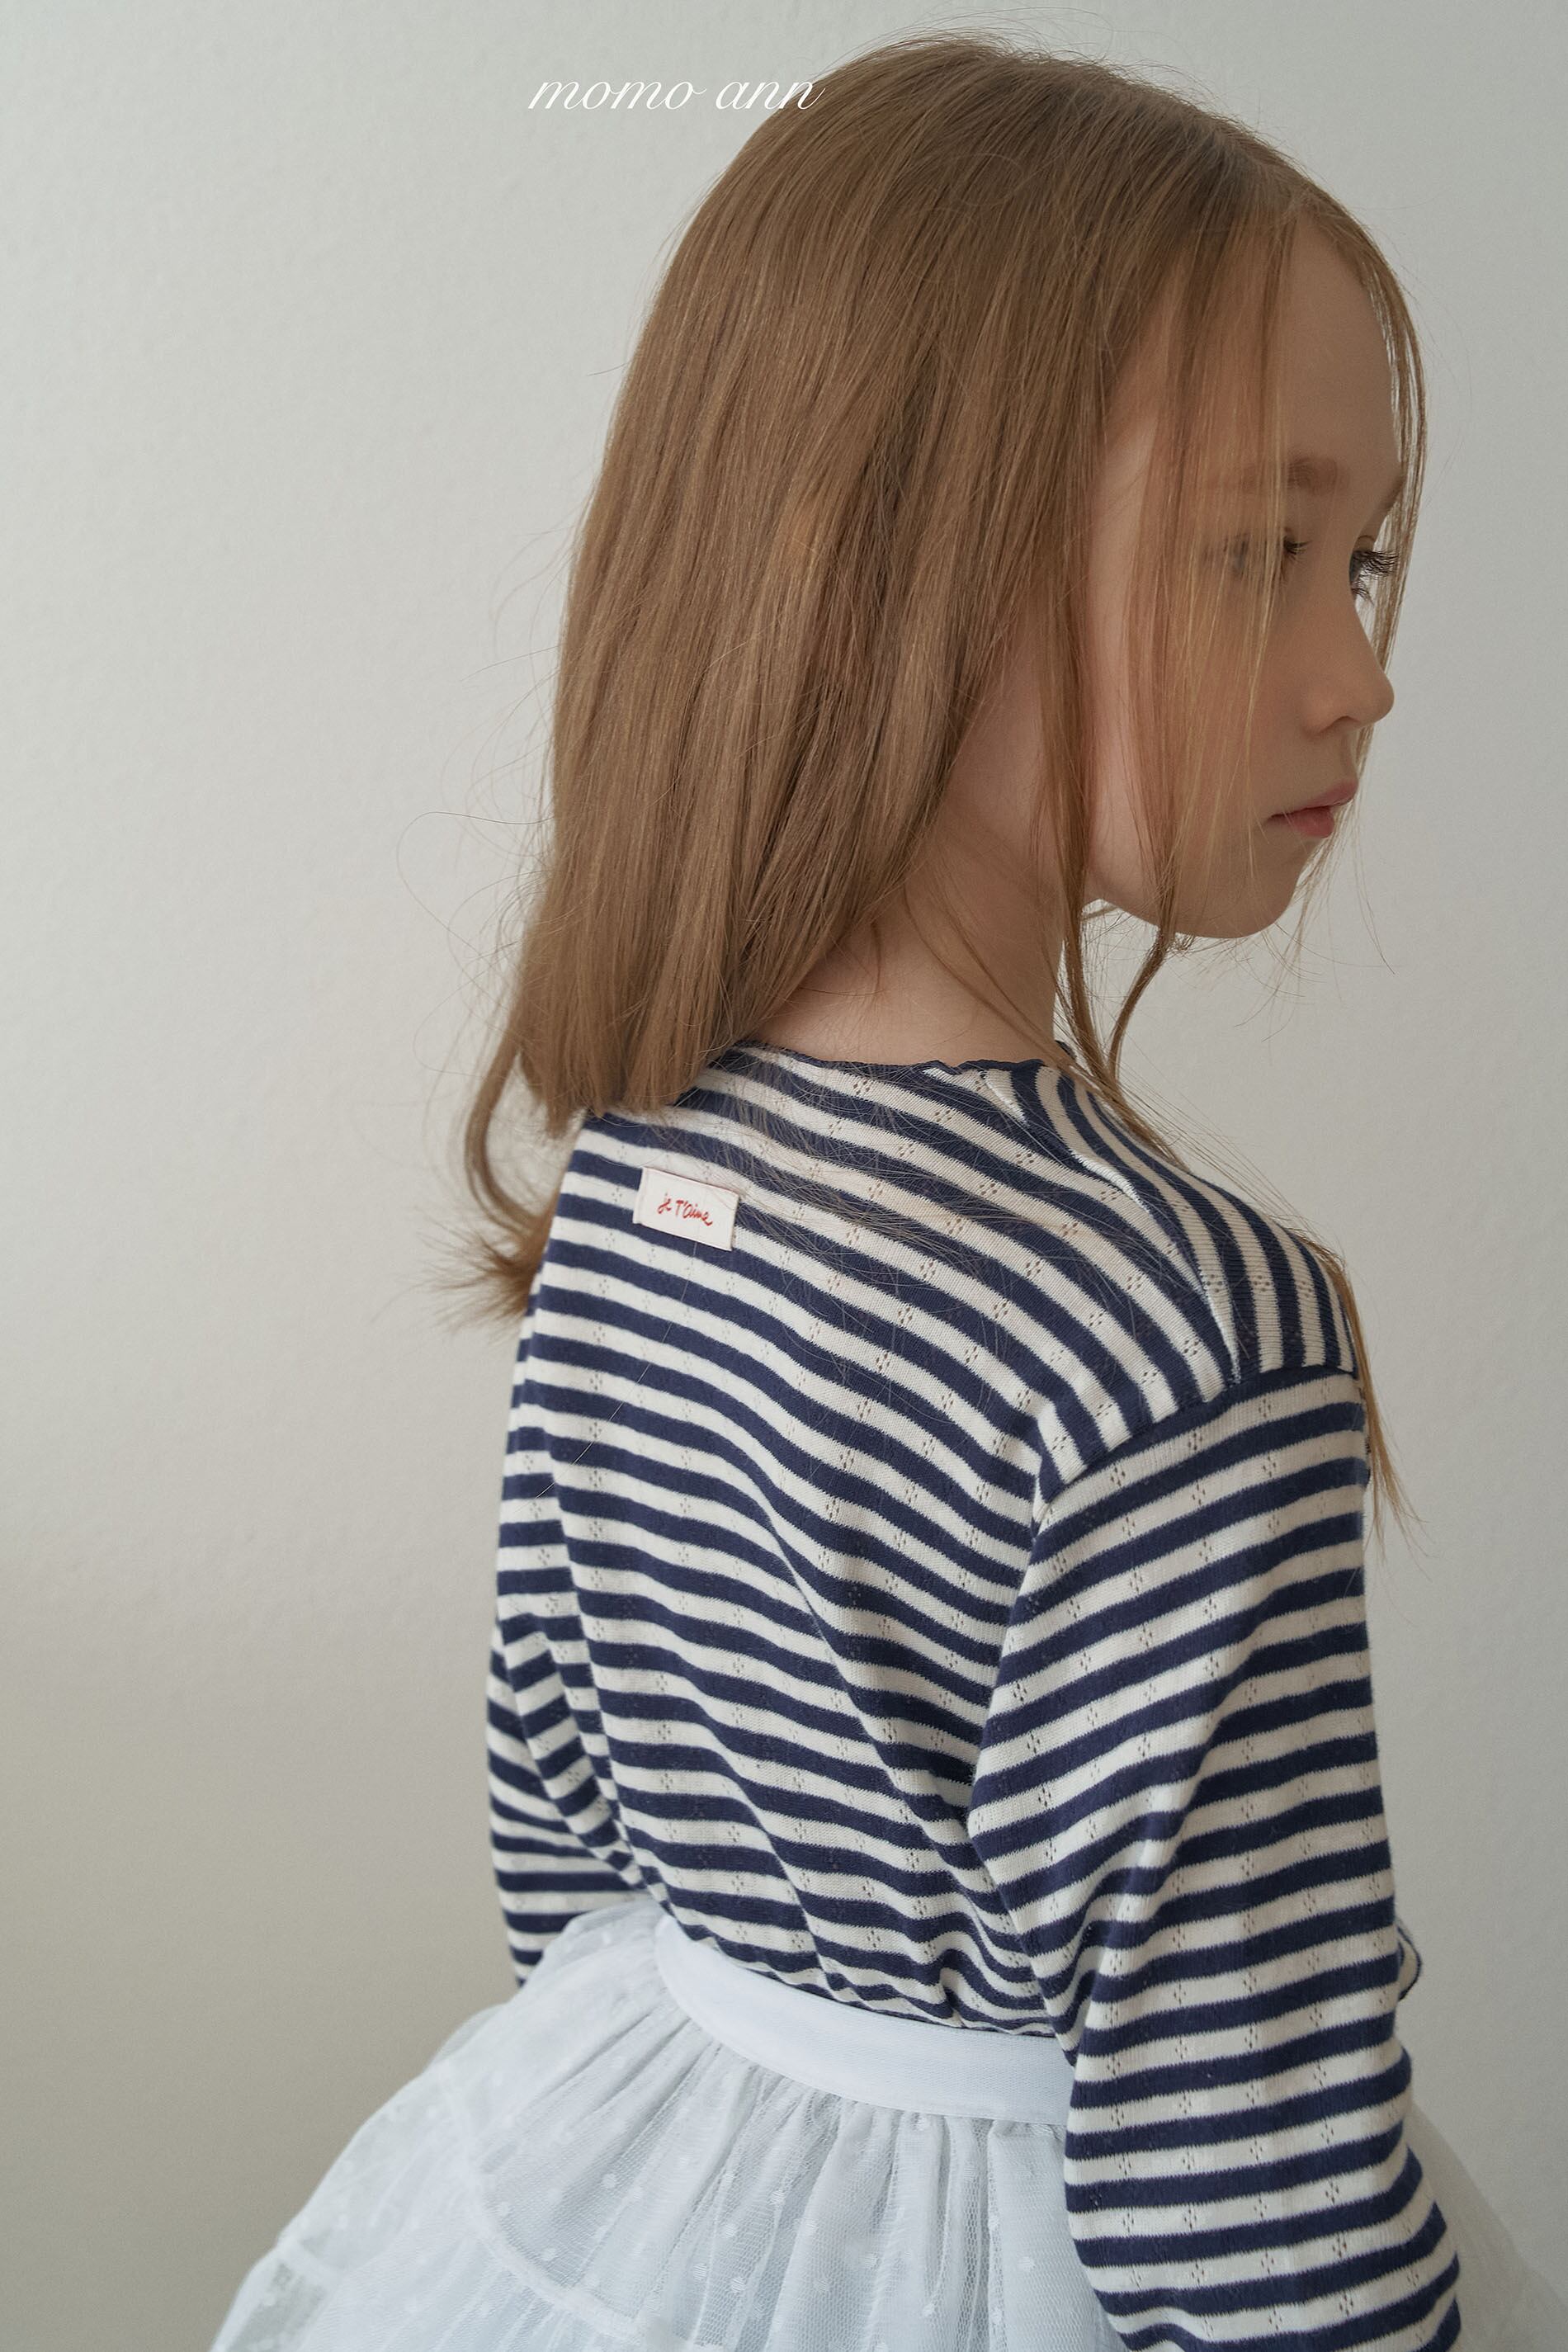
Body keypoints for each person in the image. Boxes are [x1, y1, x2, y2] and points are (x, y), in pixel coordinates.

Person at [205, 31, 1568, 2352]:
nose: (1361, 673)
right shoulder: (1183, 1330)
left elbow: (564, 1841)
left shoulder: (641, 1166)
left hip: (643, 2160)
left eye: (1358, 564)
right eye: (1262, 554)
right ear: (897, 566)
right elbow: (1246, 2175)